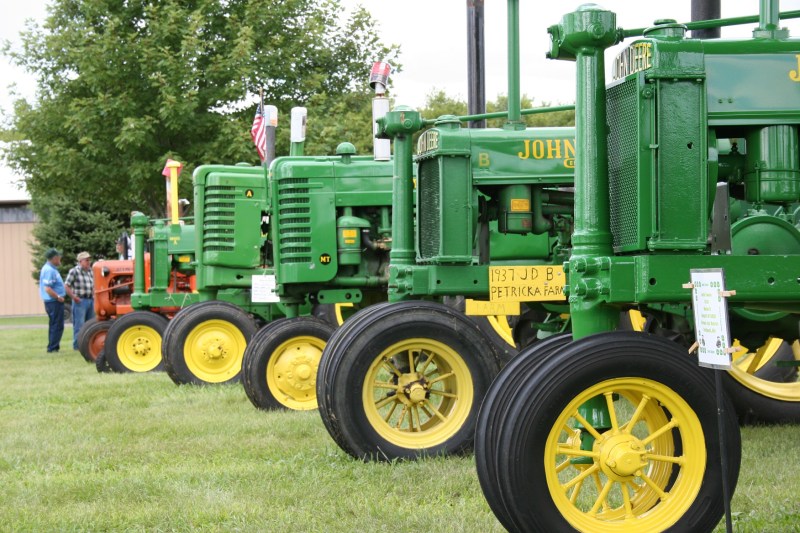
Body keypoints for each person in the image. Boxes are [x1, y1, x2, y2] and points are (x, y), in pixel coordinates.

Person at [65, 251, 95, 351]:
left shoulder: (91, 271)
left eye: (89, 260)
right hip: (80, 301)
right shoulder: (74, 271)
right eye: (86, 260)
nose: (88, 262)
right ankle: (77, 346)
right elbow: (66, 286)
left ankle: (87, 345)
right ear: (80, 261)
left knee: (90, 324)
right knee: (79, 324)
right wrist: (74, 297)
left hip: (90, 299)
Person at [39, 248, 66, 353]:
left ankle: (53, 346)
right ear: (54, 258)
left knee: (54, 324)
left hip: (53, 301)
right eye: (59, 257)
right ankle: (53, 348)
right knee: (57, 325)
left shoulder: (51, 268)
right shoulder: (49, 270)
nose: (60, 259)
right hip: (54, 302)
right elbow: (48, 288)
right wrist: (58, 297)